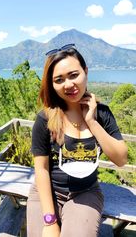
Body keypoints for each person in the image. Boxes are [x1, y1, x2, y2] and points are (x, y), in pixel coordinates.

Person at [27, 44, 128, 237]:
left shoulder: (102, 114)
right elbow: (41, 169)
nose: (68, 84)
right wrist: (49, 221)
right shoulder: (45, 119)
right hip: (47, 192)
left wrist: (91, 121)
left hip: (85, 192)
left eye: (74, 75)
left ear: (86, 72)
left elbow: (121, 159)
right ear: (52, 85)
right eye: (59, 80)